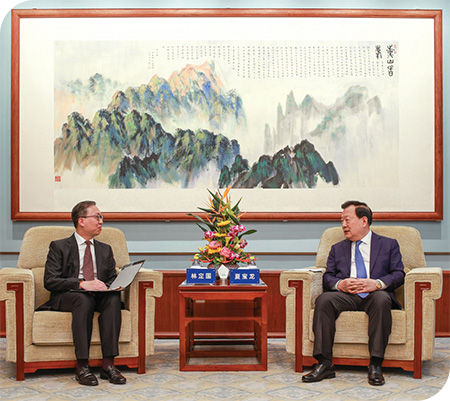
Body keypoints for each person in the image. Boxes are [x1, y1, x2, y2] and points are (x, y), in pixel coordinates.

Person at [302, 200, 405, 386]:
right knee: (324, 300)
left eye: (347, 220)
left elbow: (399, 274)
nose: (343, 225)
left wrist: (377, 284)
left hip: (374, 294)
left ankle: (375, 364)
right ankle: (324, 363)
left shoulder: (389, 245)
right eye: (341, 221)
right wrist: (340, 284)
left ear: (363, 221)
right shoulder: (337, 248)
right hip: (346, 296)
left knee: (382, 299)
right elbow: (328, 277)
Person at [38, 201, 126, 386]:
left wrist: (111, 285)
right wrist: (81, 283)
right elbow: (50, 281)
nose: (101, 222)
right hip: (70, 296)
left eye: (101, 218)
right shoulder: (59, 246)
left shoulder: (105, 249)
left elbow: (111, 277)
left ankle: (108, 365)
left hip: (99, 295)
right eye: (97, 217)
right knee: (82, 298)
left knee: (113, 298)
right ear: (82, 221)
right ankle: (82, 366)